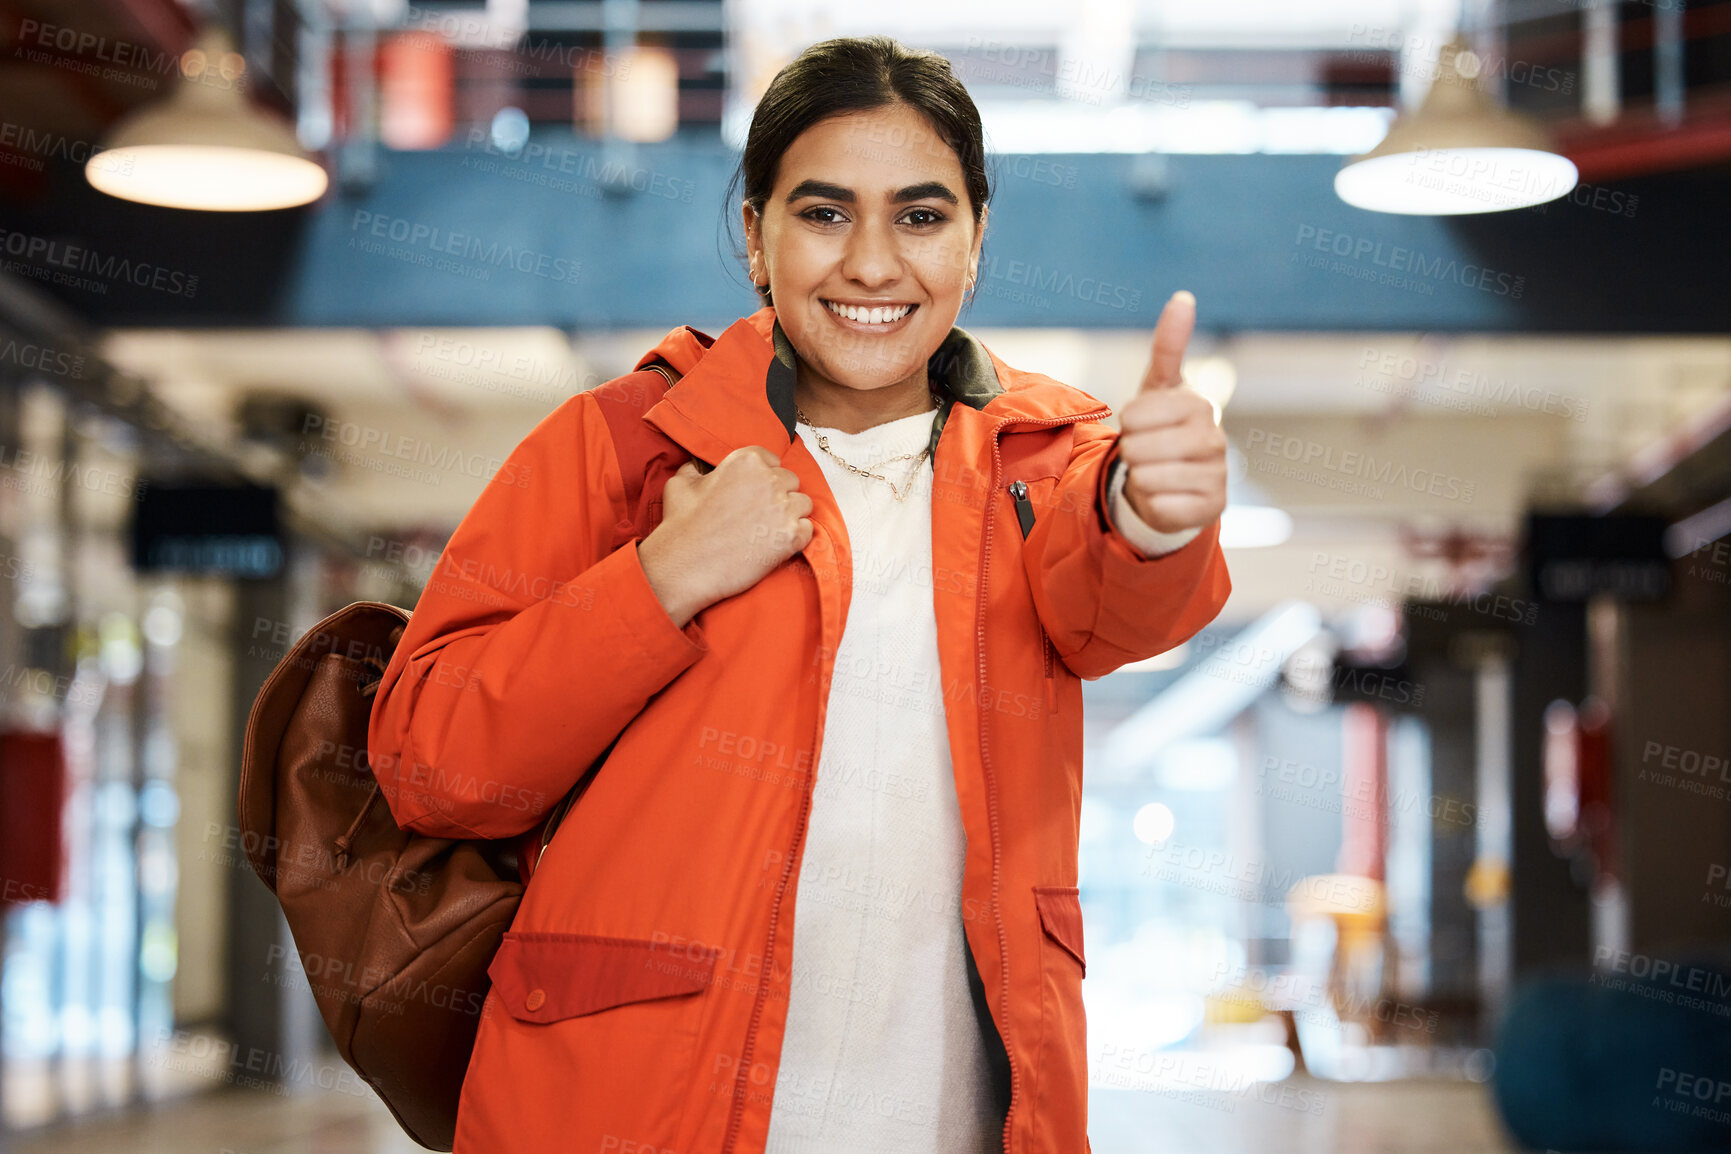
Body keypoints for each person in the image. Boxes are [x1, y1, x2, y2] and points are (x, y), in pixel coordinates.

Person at [367, 34, 1231, 1154]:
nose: (873, 263)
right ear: (755, 235)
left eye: (922, 217)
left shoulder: (1050, 466)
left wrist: (1157, 513)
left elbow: (1111, 596)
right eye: (824, 213)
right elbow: (432, 764)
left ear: (977, 241)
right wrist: (661, 579)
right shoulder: (620, 450)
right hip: (631, 1115)